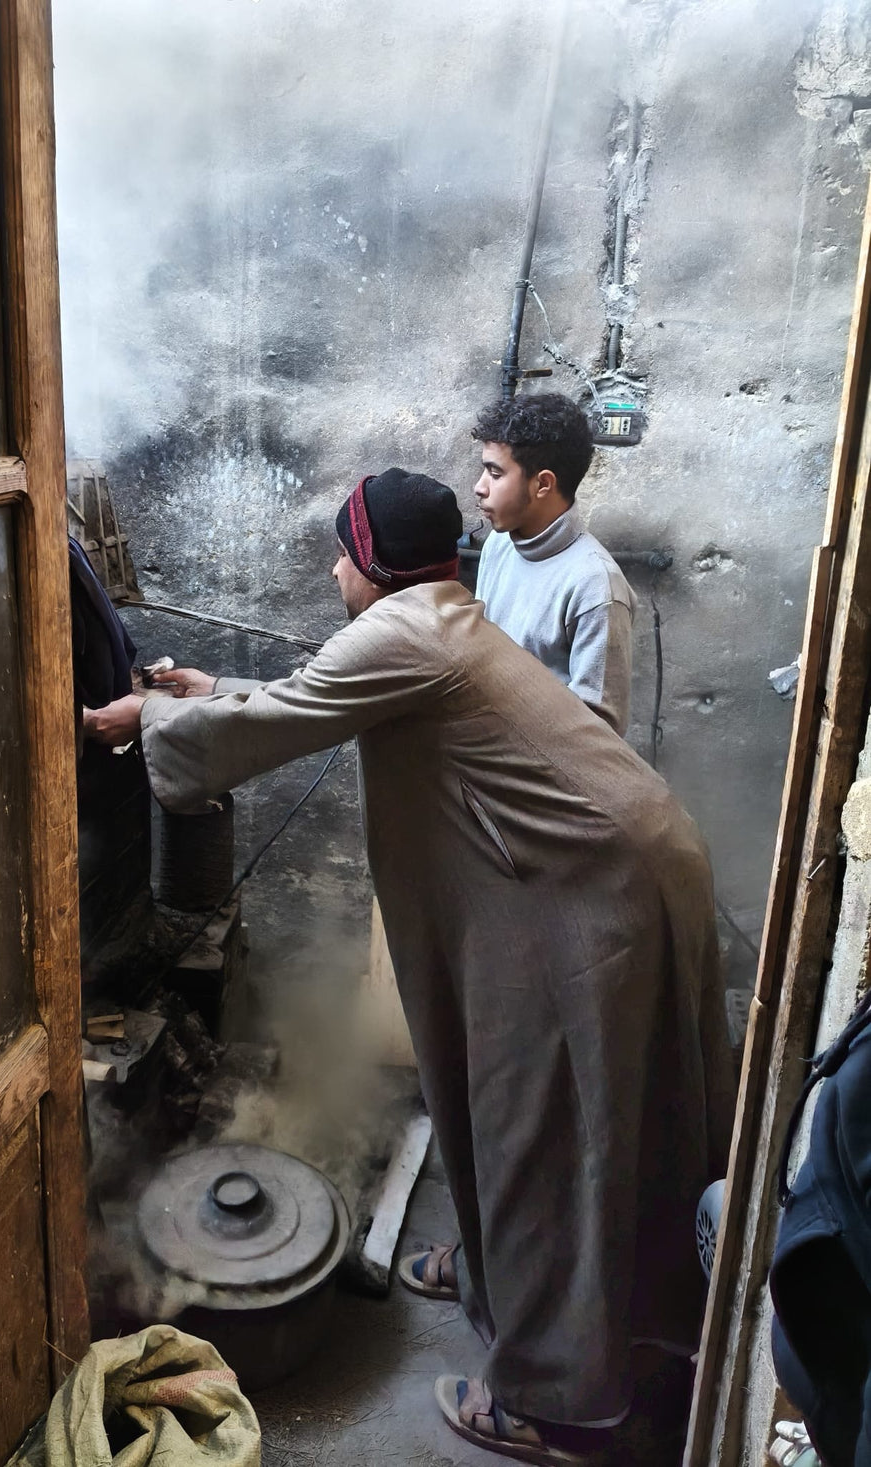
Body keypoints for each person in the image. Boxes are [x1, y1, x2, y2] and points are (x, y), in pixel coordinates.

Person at [84, 468, 733, 1464]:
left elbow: (280, 724)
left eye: (343, 552)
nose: (335, 568)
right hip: (596, 870)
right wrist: (211, 695)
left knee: (543, 1120)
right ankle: (494, 1282)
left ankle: (555, 1400)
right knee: (498, 1091)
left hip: (600, 895)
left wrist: (149, 719)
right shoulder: (433, 617)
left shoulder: (403, 634)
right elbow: (311, 697)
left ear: (370, 564)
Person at [473, 392, 637, 735]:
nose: (480, 487)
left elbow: (598, 731)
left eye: (495, 473)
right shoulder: (499, 544)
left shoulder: (596, 585)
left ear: (543, 483)